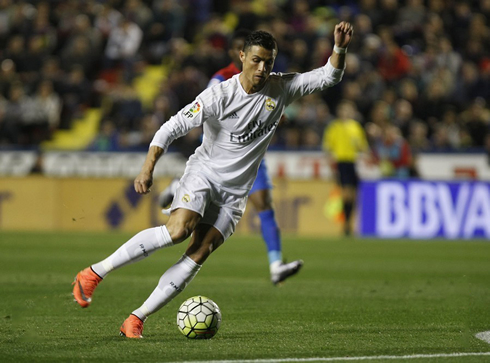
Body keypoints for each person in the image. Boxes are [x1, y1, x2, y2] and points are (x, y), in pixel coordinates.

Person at [72, 22, 354, 339]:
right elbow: (171, 127)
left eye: (269, 62)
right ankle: (94, 273)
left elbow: (330, 76)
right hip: (204, 174)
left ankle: (136, 318)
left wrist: (339, 47)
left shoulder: (282, 88)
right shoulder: (220, 95)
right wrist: (147, 167)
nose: (262, 68)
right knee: (178, 230)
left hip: (236, 193)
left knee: (200, 251)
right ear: (242, 56)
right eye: (256, 60)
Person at [158, 29, 303, 285]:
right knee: (191, 226)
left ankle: (276, 264)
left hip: (251, 156)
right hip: (218, 155)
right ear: (238, 53)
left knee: (265, 204)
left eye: (264, 59)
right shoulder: (222, 79)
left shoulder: (268, 83)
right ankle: (179, 184)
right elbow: (204, 112)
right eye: (250, 55)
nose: (258, 62)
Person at [322, 99, 369, 236]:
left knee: (353, 195)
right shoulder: (334, 127)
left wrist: (368, 156)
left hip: (353, 163)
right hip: (341, 162)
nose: (345, 113)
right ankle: (346, 225)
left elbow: (362, 146)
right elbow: (328, 146)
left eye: (348, 110)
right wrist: (330, 162)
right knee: (346, 194)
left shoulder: (356, 127)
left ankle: (349, 223)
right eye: (343, 110)